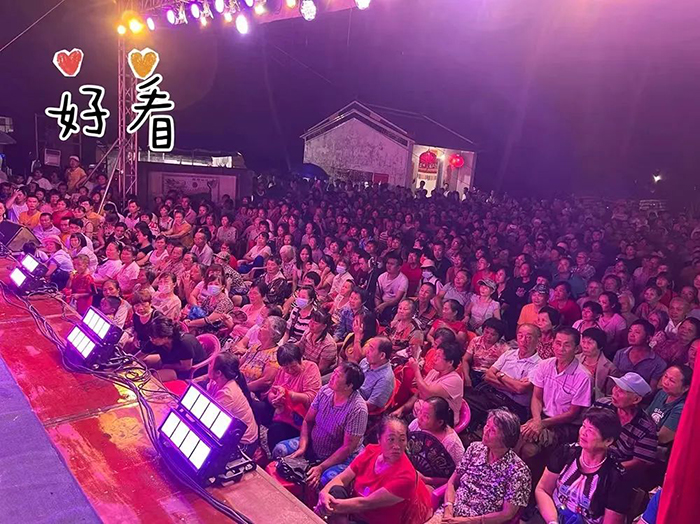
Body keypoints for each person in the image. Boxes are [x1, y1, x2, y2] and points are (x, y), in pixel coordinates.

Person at [316, 416, 432, 524]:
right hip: (354, 511)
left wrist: (329, 507)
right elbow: (342, 479)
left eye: (402, 440)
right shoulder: (370, 451)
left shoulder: (406, 477)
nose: (397, 446)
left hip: (374, 520)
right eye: (391, 439)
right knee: (335, 490)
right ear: (379, 439)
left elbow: (366, 503)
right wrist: (324, 493)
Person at [272, 362, 368, 489]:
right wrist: (302, 447)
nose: (332, 376)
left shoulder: (358, 409)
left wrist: (321, 467)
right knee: (280, 450)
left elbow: (347, 448)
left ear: (349, 386)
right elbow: (307, 421)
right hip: (314, 444)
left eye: (338, 376)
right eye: (334, 372)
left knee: (326, 480)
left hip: (340, 456)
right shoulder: (325, 391)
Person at [427, 409, 531, 524]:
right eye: (487, 426)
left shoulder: (519, 472)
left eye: (492, 430)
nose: (485, 431)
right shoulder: (475, 449)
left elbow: (507, 514)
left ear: (506, 439)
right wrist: (448, 509)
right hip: (450, 512)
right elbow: (452, 482)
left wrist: (468, 521)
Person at [535, 407, 634, 524]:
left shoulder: (616, 477)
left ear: (608, 441)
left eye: (591, 431)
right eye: (583, 426)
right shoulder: (565, 452)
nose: (583, 433)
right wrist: (553, 521)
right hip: (552, 516)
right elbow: (543, 490)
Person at [521, 327, 592, 458]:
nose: (561, 349)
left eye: (567, 345)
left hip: (564, 425)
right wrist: (537, 420)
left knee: (529, 449)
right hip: (541, 417)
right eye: (558, 343)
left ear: (576, 349)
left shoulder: (583, 377)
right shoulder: (544, 365)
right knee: (517, 434)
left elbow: (572, 414)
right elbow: (536, 397)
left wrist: (542, 424)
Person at [466, 323, 542, 425]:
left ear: (538, 340)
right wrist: (513, 387)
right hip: (492, 394)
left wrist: (500, 375)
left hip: (514, 405)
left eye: (528, 337)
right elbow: (488, 376)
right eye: (520, 336)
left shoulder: (539, 364)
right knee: (465, 401)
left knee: (489, 416)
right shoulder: (509, 354)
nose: (523, 340)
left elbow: (520, 388)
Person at [594, 373, 658, 472]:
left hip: (617, 470)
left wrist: (611, 469)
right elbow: (584, 428)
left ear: (636, 399)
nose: (615, 392)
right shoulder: (601, 405)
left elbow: (640, 461)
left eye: (621, 391)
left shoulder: (647, 427)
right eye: (616, 387)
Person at [264, 343, 322, 451]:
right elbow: (272, 391)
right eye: (286, 368)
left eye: (293, 366)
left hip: (301, 417)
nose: (290, 371)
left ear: (301, 359)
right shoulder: (281, 371)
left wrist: (288, 394)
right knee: (256, 407)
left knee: (275, 431)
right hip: (282, 411)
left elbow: (312, 397)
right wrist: (273, 399)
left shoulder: (310, 368)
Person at [393, 340, 464, 426]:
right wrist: (402, 409)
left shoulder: (454, 380)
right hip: (417, 415)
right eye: (435, 355)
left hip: (435, 424)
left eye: (438, 357)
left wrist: (416, 370)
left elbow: (427, 394)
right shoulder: (434, 372)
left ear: (450, 362)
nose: (434, 358)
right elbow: (417, 395)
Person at [206, 353, 259, 456]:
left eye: (211, 364)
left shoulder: (227, 394)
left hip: (244, 443)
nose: (209, 365)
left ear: (218, 373)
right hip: (231, 432)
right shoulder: (217, 382)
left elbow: (212, 422)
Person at [407, 397, 465, 488]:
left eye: (426, 416)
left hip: (433, 486)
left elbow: (455, 478)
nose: (419, 418)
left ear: (440, 422)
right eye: (420, 412)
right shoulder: (416, 424)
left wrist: (426, 480)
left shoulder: (452, 444)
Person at [137, 317, 206, 381]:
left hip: (188, 370)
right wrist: (132, 361)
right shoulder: (156, 340)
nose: (151, 340)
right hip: (170, 361)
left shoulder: (184, 343)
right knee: (145, 361)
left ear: (165, 337)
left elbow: (186, 367)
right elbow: (141, 354)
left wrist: (166, 366)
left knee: (155, 376)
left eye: (153, 338)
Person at [613, 319, 667, 390]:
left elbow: (652, 389)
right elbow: (613, 378)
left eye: (637, 332)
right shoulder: (620, 354)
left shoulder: (659, 364)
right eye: (630, 331)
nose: (631, 335)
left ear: (648, 338)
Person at [646, 364, 691, 446]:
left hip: (659, 447)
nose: (665, 382)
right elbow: (646, 416)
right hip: (645, 435)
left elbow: (663, 438)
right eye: (665, 376)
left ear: (685, 388)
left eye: (672, 381)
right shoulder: (662, 393)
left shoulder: (681, 408)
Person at [239, 316, 286, 394]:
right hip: (237, 384)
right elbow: (239, 364)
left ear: (273, 334)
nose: (260, 329)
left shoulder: (275, 354)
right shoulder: (255, 347)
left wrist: (243, 388)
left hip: (250, 392)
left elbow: (266, 381)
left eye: (264, 327)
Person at [462, 317, 509, 388]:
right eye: (486, 332)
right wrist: (466, 377)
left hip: (490, 377)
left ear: (499, 336)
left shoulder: (504, 348)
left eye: (493, 334)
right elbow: (465, 359)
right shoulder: (475, 341)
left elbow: (503, 370)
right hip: (473, 372)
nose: (488, 336)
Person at [577, 327, 618, 400]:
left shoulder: (610, 368)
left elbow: (609, 396)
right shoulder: (575, 359)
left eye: (589, 343)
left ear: (600, 345)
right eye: (583, 342)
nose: (585, 346)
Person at [358, 337, 396, 413]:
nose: (367, 351)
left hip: (359, 408)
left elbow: (370, 406)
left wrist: (348, 402)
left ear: (382, 355)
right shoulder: (365, 361)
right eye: (368, 346)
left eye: (371, 349)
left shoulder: (385, 379)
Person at [298, 308, 337, 374]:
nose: (311, 324)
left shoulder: (329, 345)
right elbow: (299, 350)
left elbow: (321, 369)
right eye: (311, 321)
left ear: (324, 326)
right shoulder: (307, 332)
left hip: (316, 372)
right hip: (304, 365)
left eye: (315, 323)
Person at [375, 254, 409, 324]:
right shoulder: (381, 277)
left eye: (392, 264)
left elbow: (397, 299)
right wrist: (378, 306)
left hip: (395, 306)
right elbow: (377, 295)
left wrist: (383, 305)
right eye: (388, 263)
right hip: (382, 302)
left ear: (399, 267)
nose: (388, 266)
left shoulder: (403, 280)